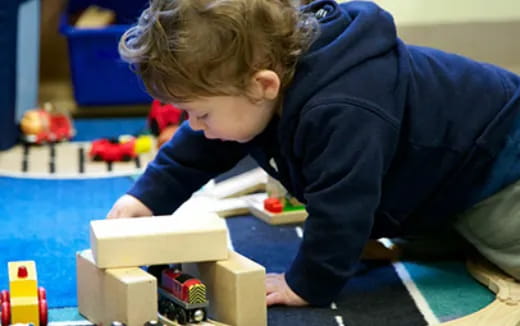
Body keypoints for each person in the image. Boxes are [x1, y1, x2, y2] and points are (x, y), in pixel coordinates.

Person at [107, 0, 520, 307]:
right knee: (433, 237)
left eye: (200, 112)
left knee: (502, 243)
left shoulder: (341, 110)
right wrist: (145, 197)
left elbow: (343, 206)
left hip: (499, 158)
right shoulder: (254, 87)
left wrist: (306, 283)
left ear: (262, 85)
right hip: (440, 170)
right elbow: (200, 146)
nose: (193, 124)